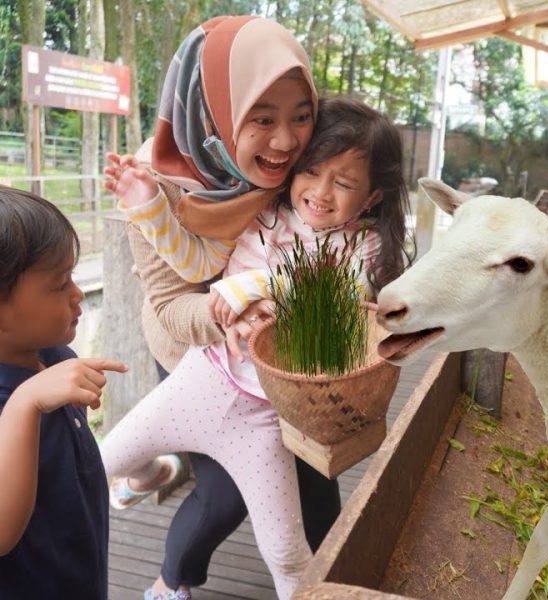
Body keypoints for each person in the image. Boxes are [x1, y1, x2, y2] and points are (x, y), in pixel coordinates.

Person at [102, 95, 412, 600]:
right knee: (98, 461)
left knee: (286, 551)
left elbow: (338, 292)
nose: (321, 191)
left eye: (346, 182)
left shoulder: (366, 247)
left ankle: (177, 582)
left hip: (268, 417)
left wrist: (252, 288)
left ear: (373, 197)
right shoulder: (264, 213)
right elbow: (188, 260)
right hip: (201, 379)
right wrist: (147, 203)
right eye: (311, 171)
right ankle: (149, 477)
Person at [103, 16, 341, 600]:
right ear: (212, 111)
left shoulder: (307, 166)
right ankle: (168, 585)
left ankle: (336, 582)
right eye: (261, 119)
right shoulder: (157, 183)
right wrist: (226, 316)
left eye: (300, 116)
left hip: (287, 359)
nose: (286, 141)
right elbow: (167, 305)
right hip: (197, 353)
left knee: (318, 482)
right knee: (223, 496)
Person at [0, 187, 127, 598]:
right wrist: (24, 404)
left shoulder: (54, 356)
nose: (77, 294)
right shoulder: (14, 396)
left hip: (80, 573)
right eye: (58, 285)